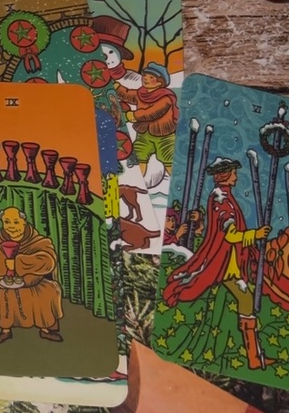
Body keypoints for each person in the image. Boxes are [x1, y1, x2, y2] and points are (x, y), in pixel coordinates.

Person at [163, 157, 273, 369]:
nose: (236, 177)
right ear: (225, 175)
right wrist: (255, 234)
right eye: (233, 173)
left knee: (247, 299)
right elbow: (230, 235)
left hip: (232, 259)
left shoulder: (225, 196)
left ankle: (255, 357)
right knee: (244, 299)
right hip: (223, 261)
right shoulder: (221, 200)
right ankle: (253, 358)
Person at [0, 207, 64, 344]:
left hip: (32, 283)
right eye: (7, 222)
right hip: (4, 284)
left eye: (16, 222)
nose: (11, 226)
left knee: (49, 290)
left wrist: (17, 263)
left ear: (24, 222)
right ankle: (5, 330)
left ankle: (45, 329)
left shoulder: (39, 242)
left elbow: (48, 262)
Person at [117, 62, 178, 178]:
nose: (145, 78)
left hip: (164, 136)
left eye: (151, 77)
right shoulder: (141, 93)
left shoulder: (166, 98)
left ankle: (175, 182)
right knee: (139, 155)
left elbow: (151, 113)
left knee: (168, 158)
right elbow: (127, 94)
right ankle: (139, 182)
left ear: (160, 82)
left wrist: (133, 115)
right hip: (144, 134)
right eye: (145, 75)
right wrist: (117, 87)